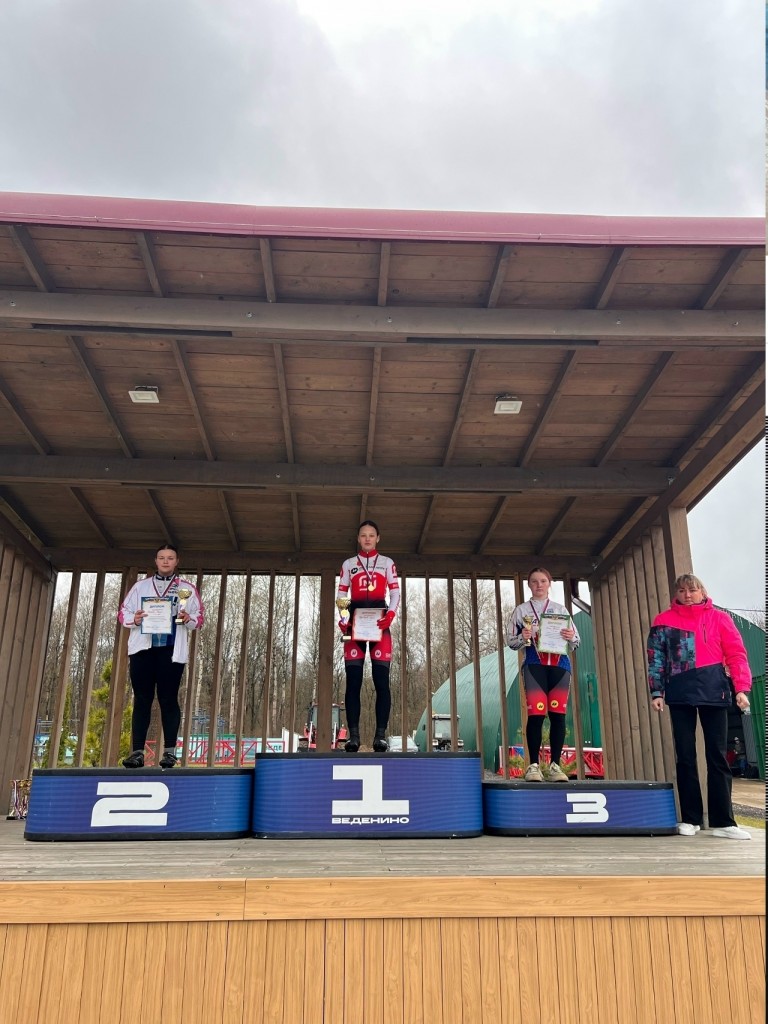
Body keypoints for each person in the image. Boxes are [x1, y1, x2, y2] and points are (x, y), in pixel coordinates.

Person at [647, 572, 752, 840]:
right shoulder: (663, 621)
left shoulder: (720, 618)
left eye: (692, 590)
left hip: (714, 690)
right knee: (685, 756)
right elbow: (656, 658)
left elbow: (736, 654)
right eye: (682, 591)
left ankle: (723, 822)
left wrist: (741, 688)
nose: (687, 595)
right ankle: (691, 819)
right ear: (676, 594)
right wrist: (657, 691)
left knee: (717, 755)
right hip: (679, 691)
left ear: (702, 592)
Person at [118, 544, 204, 768]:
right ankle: (137, 752)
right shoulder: (140, 586)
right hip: (142, 650)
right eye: (162, 557)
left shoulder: (186, 588)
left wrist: (188, 619)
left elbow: (199, 617)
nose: (166, 561)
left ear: (177, 561)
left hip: (171, 650)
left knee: (168, 699)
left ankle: (170, 752)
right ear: (155, 561)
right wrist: (135, 619)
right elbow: (123, 612)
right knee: (142, 699)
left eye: (170, 558)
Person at [506, 567, 580, 781]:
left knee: (558, 715)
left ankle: (556, 766)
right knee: (536, 715)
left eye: (543, 581)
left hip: (560, 666)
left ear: (549, 584)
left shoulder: (560, 609)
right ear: (529, 584)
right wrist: (523, 636)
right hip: (534, 664)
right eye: (534, 581)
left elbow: (576, 642)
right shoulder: (521, 611)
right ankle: (533, 766)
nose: (539, 585)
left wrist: (570, 636)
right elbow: (510, 642)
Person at [336, 521, 400, 752]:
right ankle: (353, 737)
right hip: (355, 624)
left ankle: (380, 736)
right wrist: (344, 617)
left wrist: (390, 614)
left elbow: (395, 592)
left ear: (378, 538)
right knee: (353, 681)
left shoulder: (387, 563)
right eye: (363, 535)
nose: (367, 539)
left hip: (379, 623)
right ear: (358, 538)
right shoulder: (348, 564)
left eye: (371, 535)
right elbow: (342, 593)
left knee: (381, 680)